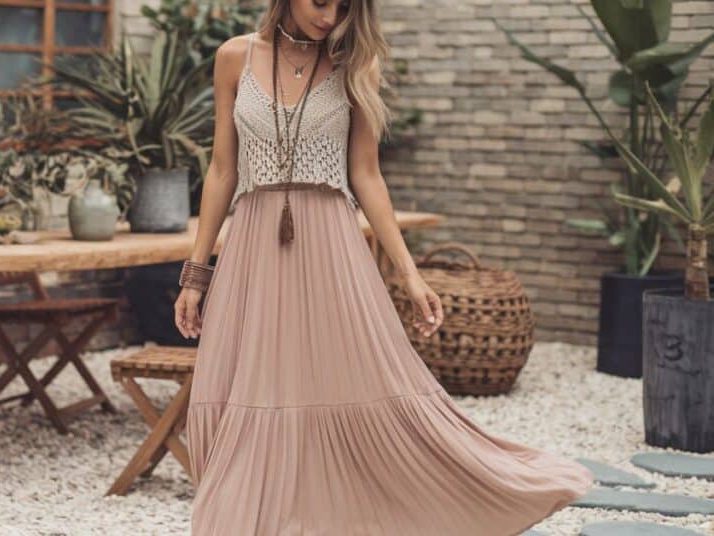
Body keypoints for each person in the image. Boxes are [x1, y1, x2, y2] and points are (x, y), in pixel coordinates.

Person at [172, 0, 594, 534]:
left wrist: (409, 274)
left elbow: (367, 176)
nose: (329, 16)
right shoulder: (235, 57)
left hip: (330, 242)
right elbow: (221, 170)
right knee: (251, 380)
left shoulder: (355, 64)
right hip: (253, 244)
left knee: (345, 374)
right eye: (320, 2)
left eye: (343, 6)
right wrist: (196, 273)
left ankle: (344, 498)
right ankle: (259, 504)